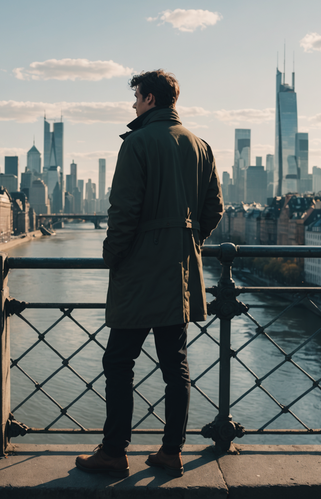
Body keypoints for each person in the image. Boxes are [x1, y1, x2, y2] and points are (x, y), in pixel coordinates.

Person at [75, 70, 223, 478]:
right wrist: (188, 242)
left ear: (152, 99)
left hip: (140, 273)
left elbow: (123, 213)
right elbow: (214, 210)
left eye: (137, 97)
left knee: (119, 361)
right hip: (181, 274)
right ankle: (171, 451)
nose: (133, 104)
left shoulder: (137, 143)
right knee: (175, 365)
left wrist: (113, 257)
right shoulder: (201, 146)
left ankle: (113, 452)